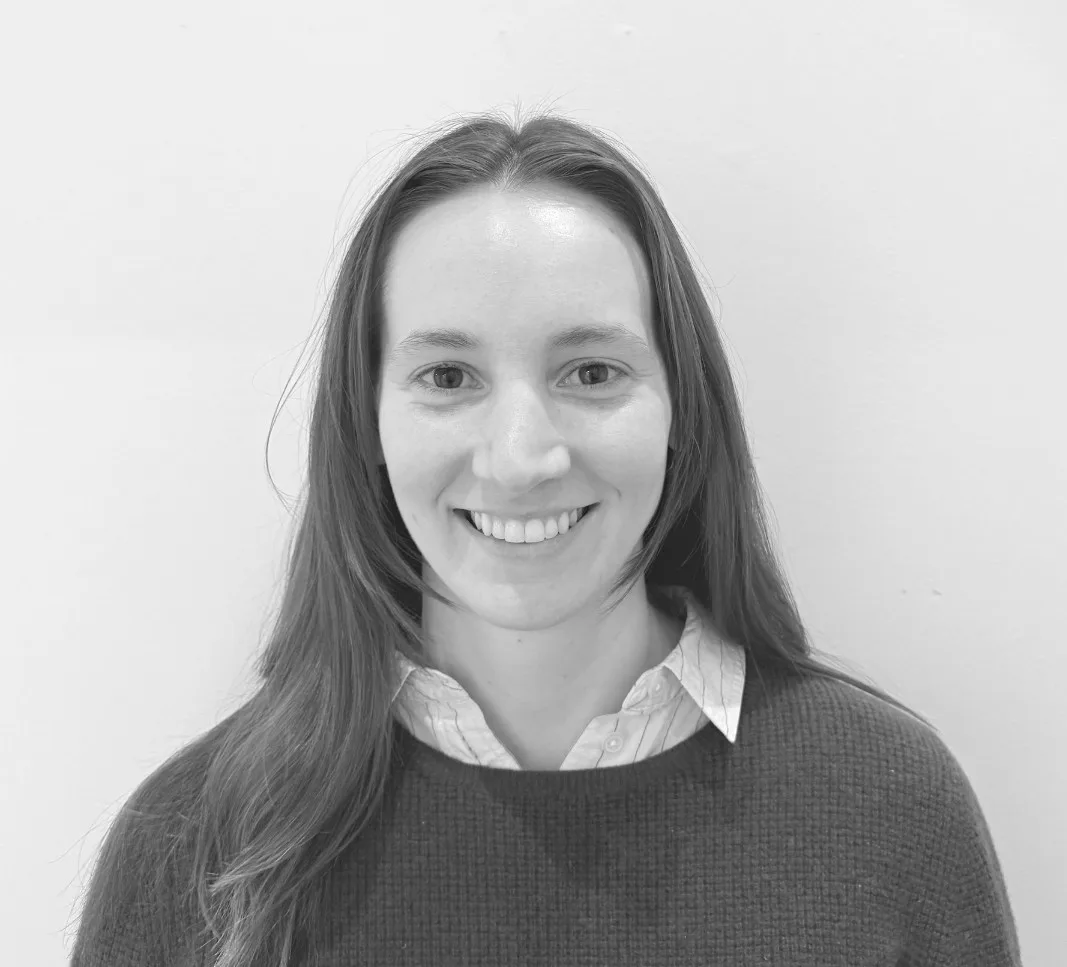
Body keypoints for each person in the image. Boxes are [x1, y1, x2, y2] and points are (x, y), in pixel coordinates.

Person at [70, 107, 1022, 967]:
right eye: (447, 377)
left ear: (680, 408)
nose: (521, 456)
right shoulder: (194, 844)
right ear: (366, 424)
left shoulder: (888, 804)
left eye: (591, 371)